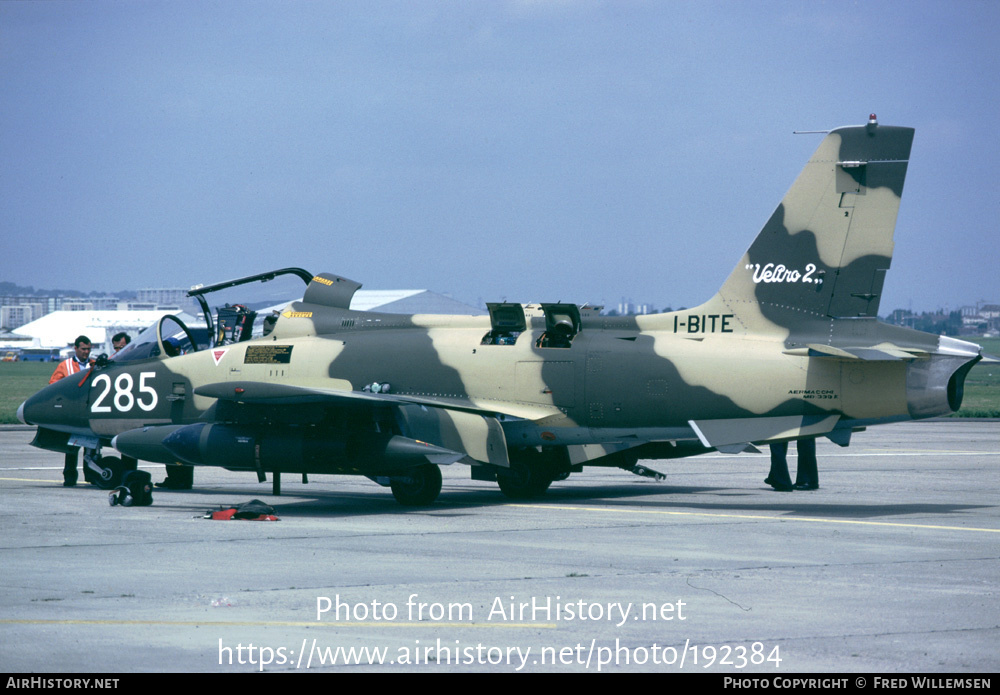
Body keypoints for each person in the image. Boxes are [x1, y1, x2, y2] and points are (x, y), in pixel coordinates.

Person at [49, 336, 95, 486]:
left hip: (90, 412)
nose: (86, 352)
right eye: (83, 349)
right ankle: (69, 476)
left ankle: (92, 476)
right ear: (76, 349)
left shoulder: (95, 364)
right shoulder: (65, 365)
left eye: (88, 349)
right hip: (73, 412)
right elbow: (53, 385)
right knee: (72, 447)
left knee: (92, 446)